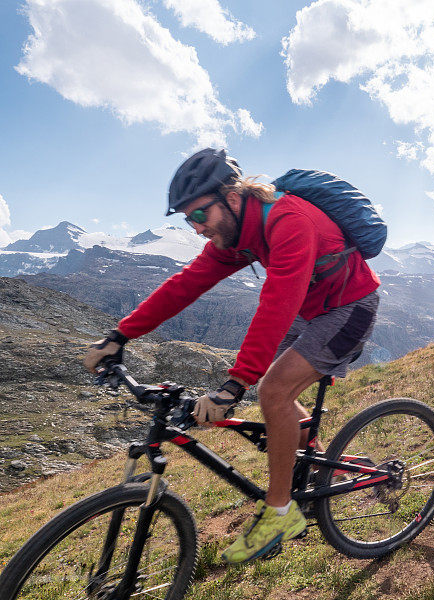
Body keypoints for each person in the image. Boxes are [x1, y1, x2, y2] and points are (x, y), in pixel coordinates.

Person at [83, 148, 381, 564]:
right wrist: (120, 335)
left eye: (200, 216)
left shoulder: (288, 220)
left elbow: (276, 303)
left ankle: (280, 513)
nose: (196, 228)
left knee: (273, 390)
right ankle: (308, 455)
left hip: (350, 307)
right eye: (188, 220)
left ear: (233, 197)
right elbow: (187, 284)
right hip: (311, 308)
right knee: (275, 390)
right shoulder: (238, 233)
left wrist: (234, 385)